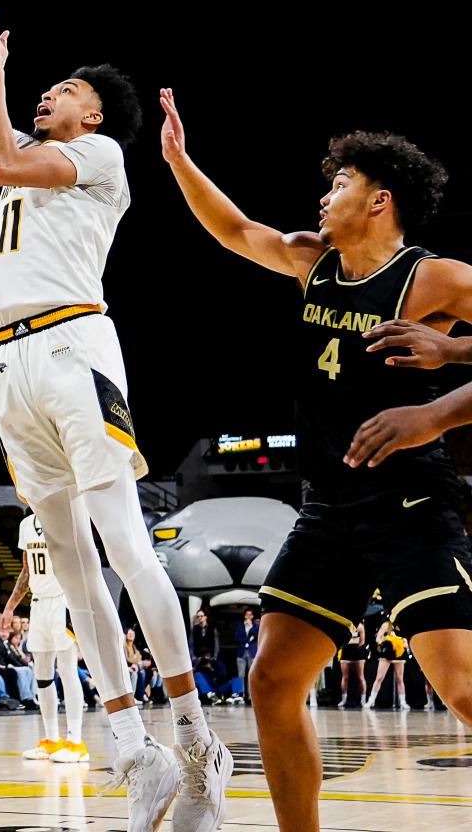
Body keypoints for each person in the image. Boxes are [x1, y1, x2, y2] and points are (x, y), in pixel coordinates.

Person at [0, 0, 230, 830]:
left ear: (93, 114)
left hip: (73, 351)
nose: (47, 95)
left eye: (63, 89)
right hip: (7, 364)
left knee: (125, 546)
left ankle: (199, 742)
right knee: (67, 563)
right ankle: (136, 752)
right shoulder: (27, 151)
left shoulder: (101, 158)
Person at [160, 92, 472, 832]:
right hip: (328, 510)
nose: (323, 196)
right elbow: (236, 230)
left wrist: (444, 379)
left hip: (410, 504)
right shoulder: (312, 262)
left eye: (338, 185)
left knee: (462, 688)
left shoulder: (436, 279)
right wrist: (179, 162)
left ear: (379, 200)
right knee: (272, 681)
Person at [4, 511, 87, 763]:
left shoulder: (63, 518)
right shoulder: (26, 525)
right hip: (38, 604)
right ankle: (51, 740)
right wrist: (10, 607)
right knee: (42, 674)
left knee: (67, 670)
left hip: (63, 602)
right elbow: (26, 571)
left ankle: (75, 742)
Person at [367, 619, 410, 710]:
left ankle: (403, 702)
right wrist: (387, 640)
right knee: (379, 677)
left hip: (399, 654)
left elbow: (406, 642)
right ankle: (371, 700)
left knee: (399, 678)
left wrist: (399, 641)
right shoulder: (386, 625)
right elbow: (378, 639)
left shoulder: (400, 623)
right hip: (387, 653)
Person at [337, 623, 368, 708]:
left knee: (360, 677)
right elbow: (340, 638)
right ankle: (343, 700)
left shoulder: (361, 626)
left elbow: (362, 641)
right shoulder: (345, 624)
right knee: (345, 677)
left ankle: (363, 701)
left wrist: (355, 645)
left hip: (357, 652)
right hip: (345, 652)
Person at [234, 610, 259, 702]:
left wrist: (251, 626)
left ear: (252, 616)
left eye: (250, 615)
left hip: (252, 652)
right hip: (241, 652)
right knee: (241, 675)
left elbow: (257, 635)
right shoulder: (240, 626)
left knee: (251, 674)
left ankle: (251, 696)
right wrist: (248, 640)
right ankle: (241, 695)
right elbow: (237, 637)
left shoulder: (255, 626)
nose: (248, 616)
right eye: (246, 615)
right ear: (244, 616)